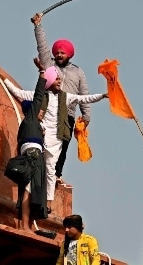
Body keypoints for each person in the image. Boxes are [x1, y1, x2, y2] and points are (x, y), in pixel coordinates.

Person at [3, 65, 107, 210]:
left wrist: (102, 96)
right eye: (57, 79)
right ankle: (30, 200)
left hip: (56, 139)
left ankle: (48, 203)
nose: (59, 81)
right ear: (50, 80)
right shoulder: (40, 97)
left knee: (51, 170)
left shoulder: (66, 97)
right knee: (36, 169)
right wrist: (3, 79)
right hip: (41, 137)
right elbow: (18, 93)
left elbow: (84, 98)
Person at [31, 13, 89, 188]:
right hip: (49, 110)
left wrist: (86, 116)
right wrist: (38, 26)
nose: (59, 55)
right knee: (46, 143)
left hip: (68, 114)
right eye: (57, 53)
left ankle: (56, 174)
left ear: (69, 54)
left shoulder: (78, 72)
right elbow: (43, 48)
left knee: (63, 145)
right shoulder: (50, 65)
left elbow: (84, 94)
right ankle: (40, 171)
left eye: (63, 52)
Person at [15, 70, 50, 230]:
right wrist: (42, 75)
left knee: (33, 191)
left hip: (33, 157)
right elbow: (38, 96)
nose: (41, 112)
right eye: (39, 110)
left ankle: (28, 224)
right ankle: (25, 225)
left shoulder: (28, 126)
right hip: (33, 157)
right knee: (29, 191)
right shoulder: (30, 119)